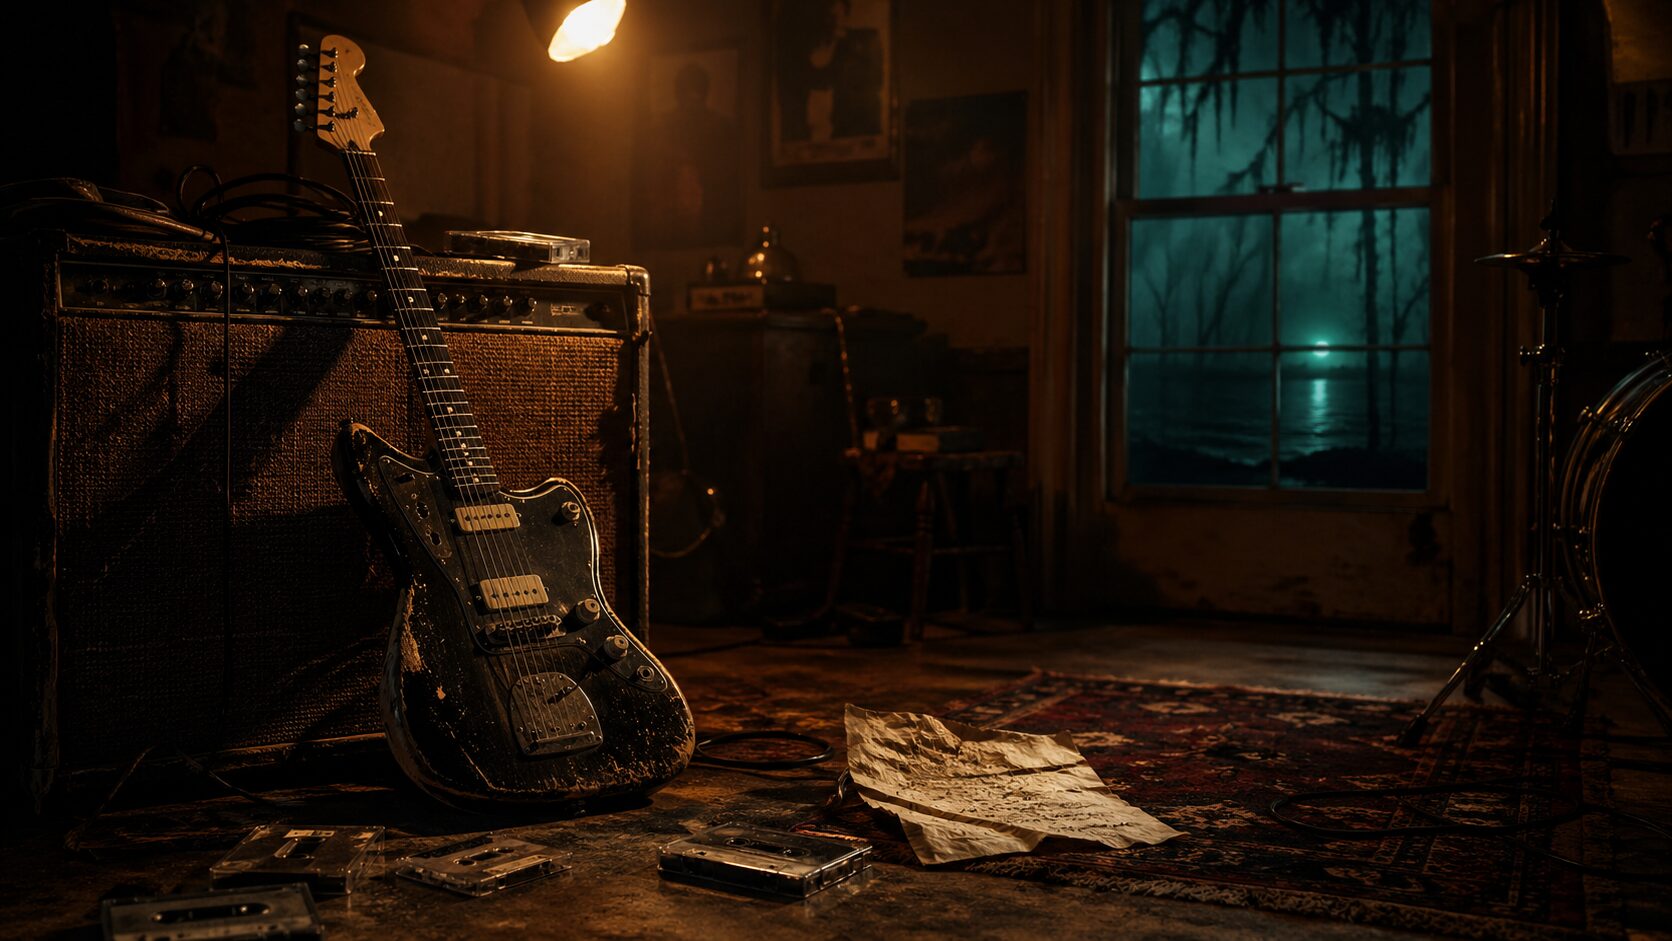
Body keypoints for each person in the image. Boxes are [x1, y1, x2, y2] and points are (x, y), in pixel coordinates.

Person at [634, 62, 740, 247]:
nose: (692, 100)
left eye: (697, 92)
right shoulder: (661, 129)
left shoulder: (721, 128)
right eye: (687, 92)